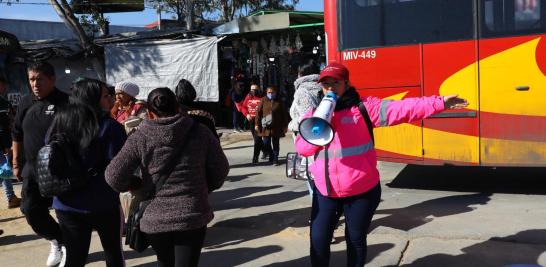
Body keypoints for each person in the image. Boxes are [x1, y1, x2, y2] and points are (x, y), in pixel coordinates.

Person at [295, 62, 468, 267]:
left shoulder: (364, 108)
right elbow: (303, 150)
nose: (330, 88)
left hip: (361, 190)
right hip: (326, 192)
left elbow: (404, 108)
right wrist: (319, 125)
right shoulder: (314, 114)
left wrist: (440, 103)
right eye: (326, 84)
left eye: (336, 83)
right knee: (318, 240)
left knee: (355, 240)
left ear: (347, 84)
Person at [105, 87, 229, 267]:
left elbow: (113, 176)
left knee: (164, 262)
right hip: (192, 214)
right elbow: (221, 169)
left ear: (149, 112)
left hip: (154, 218)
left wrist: (136, 184)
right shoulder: (200, 131)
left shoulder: (139, 137)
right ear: (178, 106)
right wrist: (203, 187)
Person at [49, 78, 127, 267]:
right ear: (91, 99)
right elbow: (121, 166)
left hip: (66, 203)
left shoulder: (59, 121)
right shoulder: (110, 127)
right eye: (106, 96)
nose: (111, 100)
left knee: (74, 258)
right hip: (104, 203)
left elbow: (48, 152)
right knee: (113, 254)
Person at [12, 61, 68, 266]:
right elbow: (16, 133)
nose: (35, 84)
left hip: (60, 169)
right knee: (30, 209)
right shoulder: (26, 102)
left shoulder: (66, 102)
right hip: (32, 170)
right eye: (31, 79)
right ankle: (57, 239)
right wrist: (16, 163)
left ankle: (69, 246)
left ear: (52, 79)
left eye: (40, 79)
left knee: (65, 212)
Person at [0, 77, 20, 209]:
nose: (3, 88)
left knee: (4, 171)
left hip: (3, 142)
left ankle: (11, 197)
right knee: (4, 170)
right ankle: (11, 197)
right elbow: (2, 127)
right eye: (1, 85)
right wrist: (6, 145)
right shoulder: (1, 103)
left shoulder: (4, 101)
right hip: (2, 143)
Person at [255, 86, 289, 165]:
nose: (270, 94)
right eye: (269, 92)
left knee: (276, 143)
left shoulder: (279, 101)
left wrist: (285, 126)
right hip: (265, 127)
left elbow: (284, 114)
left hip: (276, 126)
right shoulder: (263, 100)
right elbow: (258, 113)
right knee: (266, 143)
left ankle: (275, 159)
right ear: (266, 93)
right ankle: (271, 154)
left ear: (275, 93)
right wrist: (257, 124)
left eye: (272, 92)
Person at [240, 84, 265, 164]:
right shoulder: (248, 96)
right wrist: (246, 114)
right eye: (252, 89)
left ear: (258, 89)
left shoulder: (262, 97)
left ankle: (255, 157)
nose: (253, 91)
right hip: (251, 120)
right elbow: (243, 107)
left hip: (259, 121)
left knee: (257, 139)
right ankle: (266, 151)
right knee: (256, 139)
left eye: (255, 89)